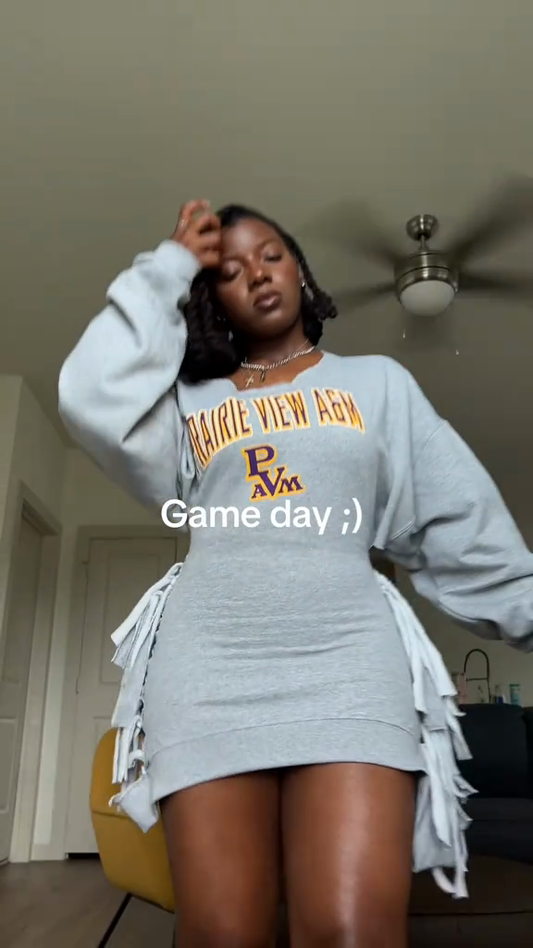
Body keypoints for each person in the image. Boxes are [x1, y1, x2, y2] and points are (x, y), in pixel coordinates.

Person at [58, 200, 533, 948]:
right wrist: (169, 265)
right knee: (222, 933)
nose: (257, 274)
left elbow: (460, 521)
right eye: (230, 270)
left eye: (271, 255)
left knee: (351, 930)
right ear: (212, 297)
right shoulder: (187, 401)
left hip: (350, 664)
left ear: (300, 271)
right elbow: (90, 395)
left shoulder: (377, 385)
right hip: (209, 669)